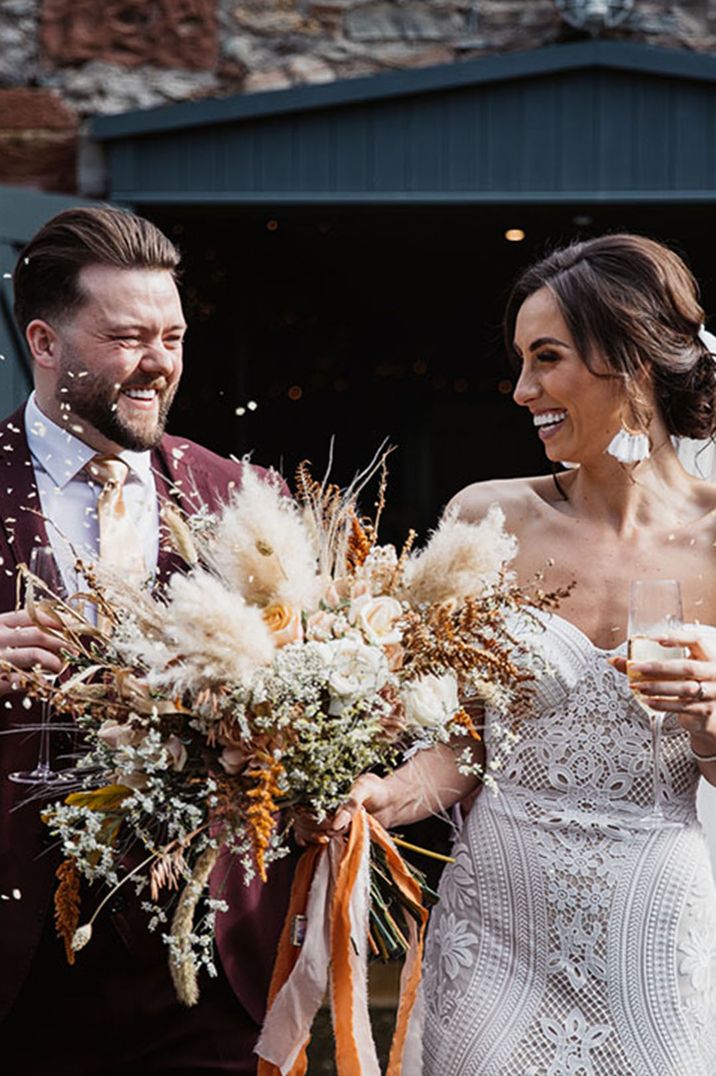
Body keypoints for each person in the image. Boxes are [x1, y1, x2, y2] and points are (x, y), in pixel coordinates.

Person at [331, 234, 716, 1073]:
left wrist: (710, 720)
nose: (521, 390)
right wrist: (387, 797)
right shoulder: (487, 520)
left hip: (653, 920)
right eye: (519, 360)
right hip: (497, 924)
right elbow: (466, 737)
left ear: (633, 362)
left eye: (547, 359)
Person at [0, 206, 293, 1074]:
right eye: (129, 337)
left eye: (172, 335)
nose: (159, 363)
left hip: (200, 966)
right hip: (14, 968)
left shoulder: (243, 496)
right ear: (46, 343)